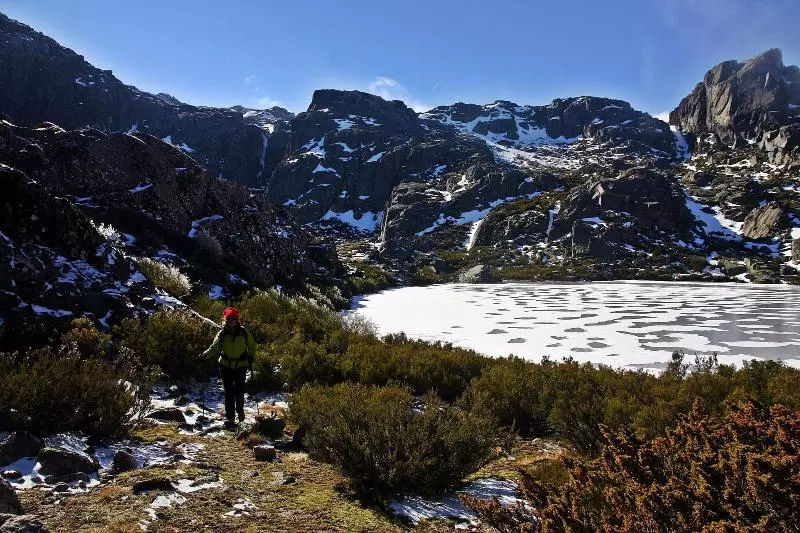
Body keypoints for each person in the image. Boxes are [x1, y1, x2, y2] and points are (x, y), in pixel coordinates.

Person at [201, 306, 257, 428]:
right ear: (226, 320)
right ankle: (230, 419)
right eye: (229, 318)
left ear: (237, 319)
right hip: (225, 366)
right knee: (228, 392)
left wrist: (251, 356)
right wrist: (205, 356)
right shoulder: (222, 334)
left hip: (241, 366)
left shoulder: (244, 332)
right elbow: (214, 347)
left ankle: (240, 411)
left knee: (239, 391)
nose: (231, 320)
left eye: (233, 318)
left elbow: (253, 346)